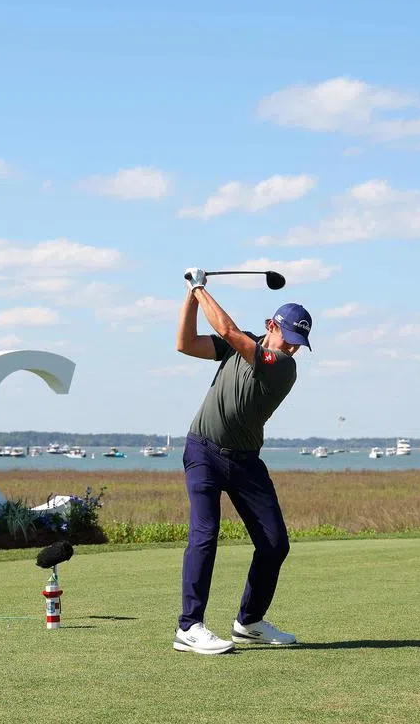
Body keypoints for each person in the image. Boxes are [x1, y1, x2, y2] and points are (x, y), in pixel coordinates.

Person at [172, 267, 312, 655]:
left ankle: (249, 622)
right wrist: (190, 295)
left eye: (300, 342)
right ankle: (189, 626)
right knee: (205, 533)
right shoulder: (244, 345)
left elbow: (231, 333)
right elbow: (185, 343)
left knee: (274, 544)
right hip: (203, 450)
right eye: (290, 337)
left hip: (246, 462)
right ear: (272, 325)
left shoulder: (283, 366)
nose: (294, 347)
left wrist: (199, 287)